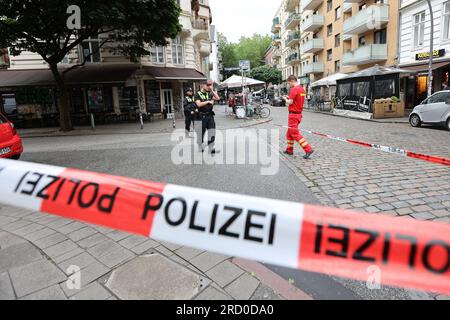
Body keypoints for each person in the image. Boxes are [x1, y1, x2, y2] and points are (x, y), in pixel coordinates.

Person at [282, 75, 314, 159]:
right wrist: (289, 98)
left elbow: (290, 102)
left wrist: (285, 99)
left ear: (292, 81)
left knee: (294, 133)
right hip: (298, 114)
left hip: (293, 114)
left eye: (289, 83)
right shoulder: (301, 89)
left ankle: (308, 149)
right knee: (289, 134)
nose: (289, 85)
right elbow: (297, 100)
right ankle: (289, 150)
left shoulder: (294, 89)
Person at [194, 80, 220, 154]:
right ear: (203, 85)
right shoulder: (197, 94)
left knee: (212, 131)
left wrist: (212, 90)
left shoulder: (209, 93)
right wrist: (207, 102)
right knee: (201, 133)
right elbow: (198, 104)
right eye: (208, 85)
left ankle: (211, 147)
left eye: (210, 85)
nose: (209, 86)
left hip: (210, 115)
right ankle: (200, 145)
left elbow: (218, 98)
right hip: (201, 116)